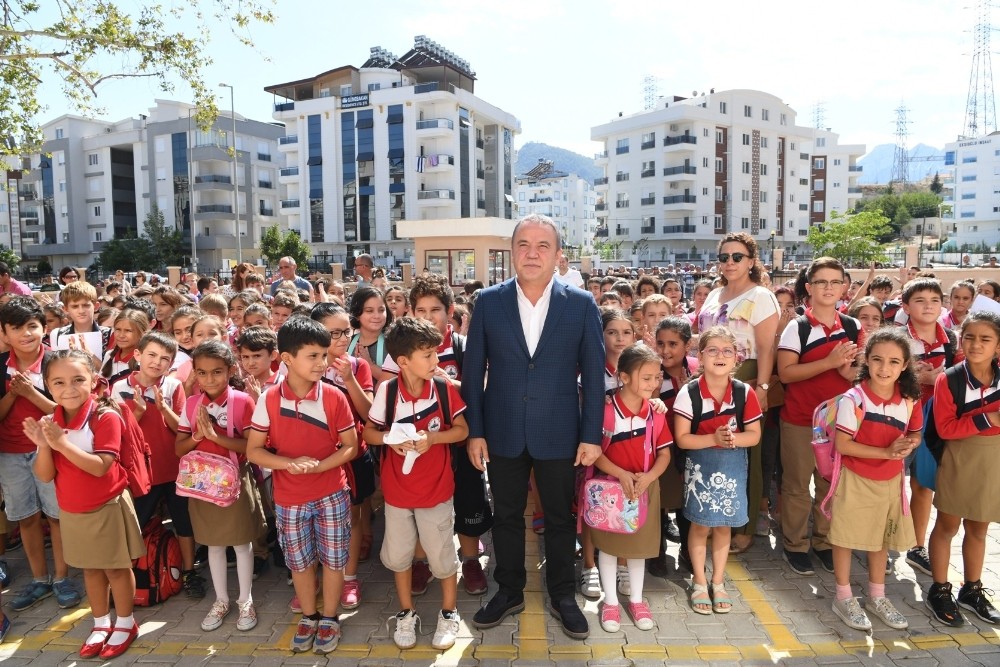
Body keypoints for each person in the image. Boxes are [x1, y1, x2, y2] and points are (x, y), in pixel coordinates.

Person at [462, 214, 605, 640]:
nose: (532, 253)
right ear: (511, 251)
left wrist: (591, 435)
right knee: (506, 516)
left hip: (559, 432)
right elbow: (472, 372)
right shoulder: (489, 301)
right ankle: (509, 591)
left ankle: (562, 594)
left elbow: (593, 375)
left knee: (560, 517)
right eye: (523, 244)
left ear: (558, 254)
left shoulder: (581, 304)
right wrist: (475, 430)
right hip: (501, 430)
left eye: (543, 245)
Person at [246, 317, 358, 654]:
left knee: (334, 561)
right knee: (300, 563)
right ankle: (309, 616)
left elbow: (351, 446)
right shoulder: (268, 399)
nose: (322, 362)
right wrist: (289, 464)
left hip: (332, 494)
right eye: (313, 356)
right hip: (289, 499)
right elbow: (254, 450)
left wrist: (320, 466)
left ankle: (330, 618)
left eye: (324, 355)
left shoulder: (334, 396)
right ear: (287, 358)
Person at [26, 349, 145, 659]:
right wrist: (44, 446)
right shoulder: (50, 420)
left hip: (106, 505)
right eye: (59, 382)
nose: (69, 388)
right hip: (72, 509)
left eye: (78, 379)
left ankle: (126, 623)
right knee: (91, 570)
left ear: (93, 380)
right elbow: (45, 475)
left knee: (116, 570)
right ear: (47, 386)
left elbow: (101, 467)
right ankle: (101, 623)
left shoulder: (105, 416)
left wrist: (61, 443)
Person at [363, 317, 470, 650]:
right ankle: (406, 612)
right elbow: (369, 433)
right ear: (403, 361)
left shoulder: (444, 389)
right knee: (400, 557)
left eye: (436, 352)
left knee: (442, 557)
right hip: (397, 494)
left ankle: (449, 612)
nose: (436, 360)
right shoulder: (387, 391)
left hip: (437, 491)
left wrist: (433, 438)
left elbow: (462, 430)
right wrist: (390, 439)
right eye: (427, 355)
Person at [829, 327, 921, 631]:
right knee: (845, 537)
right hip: (855, 478)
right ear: (866, 360)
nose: (885, 368)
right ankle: (843, 597)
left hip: (890, 480)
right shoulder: (853, 399)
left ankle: (877, 596)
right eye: (878, 359)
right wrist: (887, 452)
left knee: (880, 539)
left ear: (904, 365)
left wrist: (909, 444)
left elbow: (915, 433)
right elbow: (843, 445)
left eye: (894, 361)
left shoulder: (909, 399)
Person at [777, 257, 860, 576]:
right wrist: (829, 363)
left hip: (839, 422)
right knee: (797, 486)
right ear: (809, 288)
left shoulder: (852, 326)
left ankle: (824, 542)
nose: (828, 287)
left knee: (831, 484)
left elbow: (857, 373)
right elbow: (786, 373)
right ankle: (795, 545)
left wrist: (850, 372)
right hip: (800, 419)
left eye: (835, 282)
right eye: (821, 282)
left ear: (844, 287)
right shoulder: (797, 327)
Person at [696, 232, 778, 554]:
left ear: (751, 261)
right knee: (713, 450)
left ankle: (744, 526)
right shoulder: (715, 294)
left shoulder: (761, 296)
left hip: (744, 378)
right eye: (724, 257)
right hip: (708, 379)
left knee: (745, 454)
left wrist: (763, 387)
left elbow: (766, 348)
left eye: (737, 257)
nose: (729, 262)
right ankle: (714, 519)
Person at [175, 341, 265, 635]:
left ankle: (245, 600)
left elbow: (252, 446)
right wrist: (198, 436)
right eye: (202, 373)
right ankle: (222, 600)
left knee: (241, 543)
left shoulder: (242, 402)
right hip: (203, 484)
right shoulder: (191, 404)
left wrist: (216, 436)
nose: (209, 379)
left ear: (230, 370)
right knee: (213, 544)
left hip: (234, 480)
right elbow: (179, 448)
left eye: (217, 372)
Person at [0, 297, 82, 611]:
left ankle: (62, 578)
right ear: (5, 333)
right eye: (16, 328)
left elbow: (67, 412)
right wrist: (12, 394)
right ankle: (39, 579)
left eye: (32, 326)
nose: (26, 334)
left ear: (44, 328)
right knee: (27, 518)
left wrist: (29, 392)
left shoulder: (56, 362)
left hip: (50, 450)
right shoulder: (1, 365)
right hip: (10, 454)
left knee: (57, 516)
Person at [674, 326, 762, 615]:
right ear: (700, 357)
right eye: (712, 350)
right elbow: (682, 439)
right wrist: (713, 439)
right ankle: (699, 581)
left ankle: (718, 580)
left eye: (727, 350)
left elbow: (754, 436)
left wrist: (731, 439)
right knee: (700, 525)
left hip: (732, 468)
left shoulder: (744, 392)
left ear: (736, 357)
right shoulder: (689, 393)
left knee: (724, 525)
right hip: (701, 468)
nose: (719, 356)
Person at [111, 331, 202, 599]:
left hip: (174, 469)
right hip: (141, 473)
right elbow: (119, 433)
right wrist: (138, 412)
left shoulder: (173, 386)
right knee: (136, 524)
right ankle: (132, 577)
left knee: (184, 524)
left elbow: (182, 430)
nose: (157, 362)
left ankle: (189, 572)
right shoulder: (120, 387)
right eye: (151, 355)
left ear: (171, 363)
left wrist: (164, 409)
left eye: (164, 358)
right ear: (137, 355)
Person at [925, 311, 1000, 627]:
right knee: (947, 525)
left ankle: (971, 589)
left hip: (993, 460)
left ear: (998, 345)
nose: (976, 344)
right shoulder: (950, 379)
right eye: (969, 337)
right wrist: (989, 418)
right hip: (958, 458)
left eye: (985, 339)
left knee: (979, 527)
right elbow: (945, 428)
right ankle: (939, 589)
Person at [592, 344, 672, 633]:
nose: (653, 383)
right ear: (623, 377)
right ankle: (610, 601)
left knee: (638, 549)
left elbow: (664, 454)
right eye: (646, 377)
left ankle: (637, 600)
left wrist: (649, 478)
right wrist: (621, 474)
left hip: (644, 489)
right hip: (611, 492)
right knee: (609, 548)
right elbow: (595, 453)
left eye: (656, 377)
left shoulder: (656, 413)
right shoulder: (605, 411)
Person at [309, 303, 375, 611]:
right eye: (333, 333)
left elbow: (370, 413)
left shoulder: (358, 366)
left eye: (345, 332)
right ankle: (313, 581)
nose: (341, 339)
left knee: (352, 517)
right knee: (315, 520)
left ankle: (349, 578)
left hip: (352, 454)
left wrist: (348, 378)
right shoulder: (305, 366)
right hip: (316, 457)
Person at [899, 278, 958, 577]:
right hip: (899, 420)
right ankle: (879, 544)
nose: (928, 306)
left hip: (935, 420)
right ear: (906, 306)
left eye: (935, 300)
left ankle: (916, 546)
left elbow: (961, 374)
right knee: (888, 484)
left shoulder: (951, 339)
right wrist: (916, 378)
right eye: (920, 300)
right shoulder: (897, 337)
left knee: (922, 484)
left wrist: (942, 379)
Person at [55, 281, 112, 356]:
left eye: (86, 305)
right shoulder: (58, 335)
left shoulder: (109, 334)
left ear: (96, 306)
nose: (81, 311)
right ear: (66, 309)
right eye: (75, 306)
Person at [101, 310, 150, 385]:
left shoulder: (145, 360)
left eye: (128, 331)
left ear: (142, 333)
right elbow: (101, 386)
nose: (121, 335)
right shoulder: (109, 355)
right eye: (118, 329)